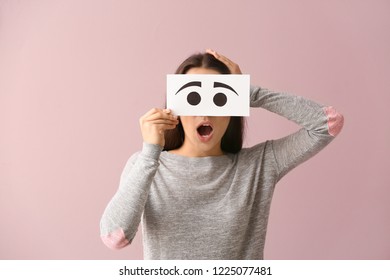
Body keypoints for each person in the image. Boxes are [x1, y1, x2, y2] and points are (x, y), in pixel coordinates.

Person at [100, 50, 344, 259]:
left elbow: (328, 124)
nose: (205, 112)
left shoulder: (258, 166)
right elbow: (115, 236)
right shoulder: (146, 165)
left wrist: (250, 93)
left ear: (233, 108)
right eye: (193, 98)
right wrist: (150, 153)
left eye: (219, 99)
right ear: (174, 109)